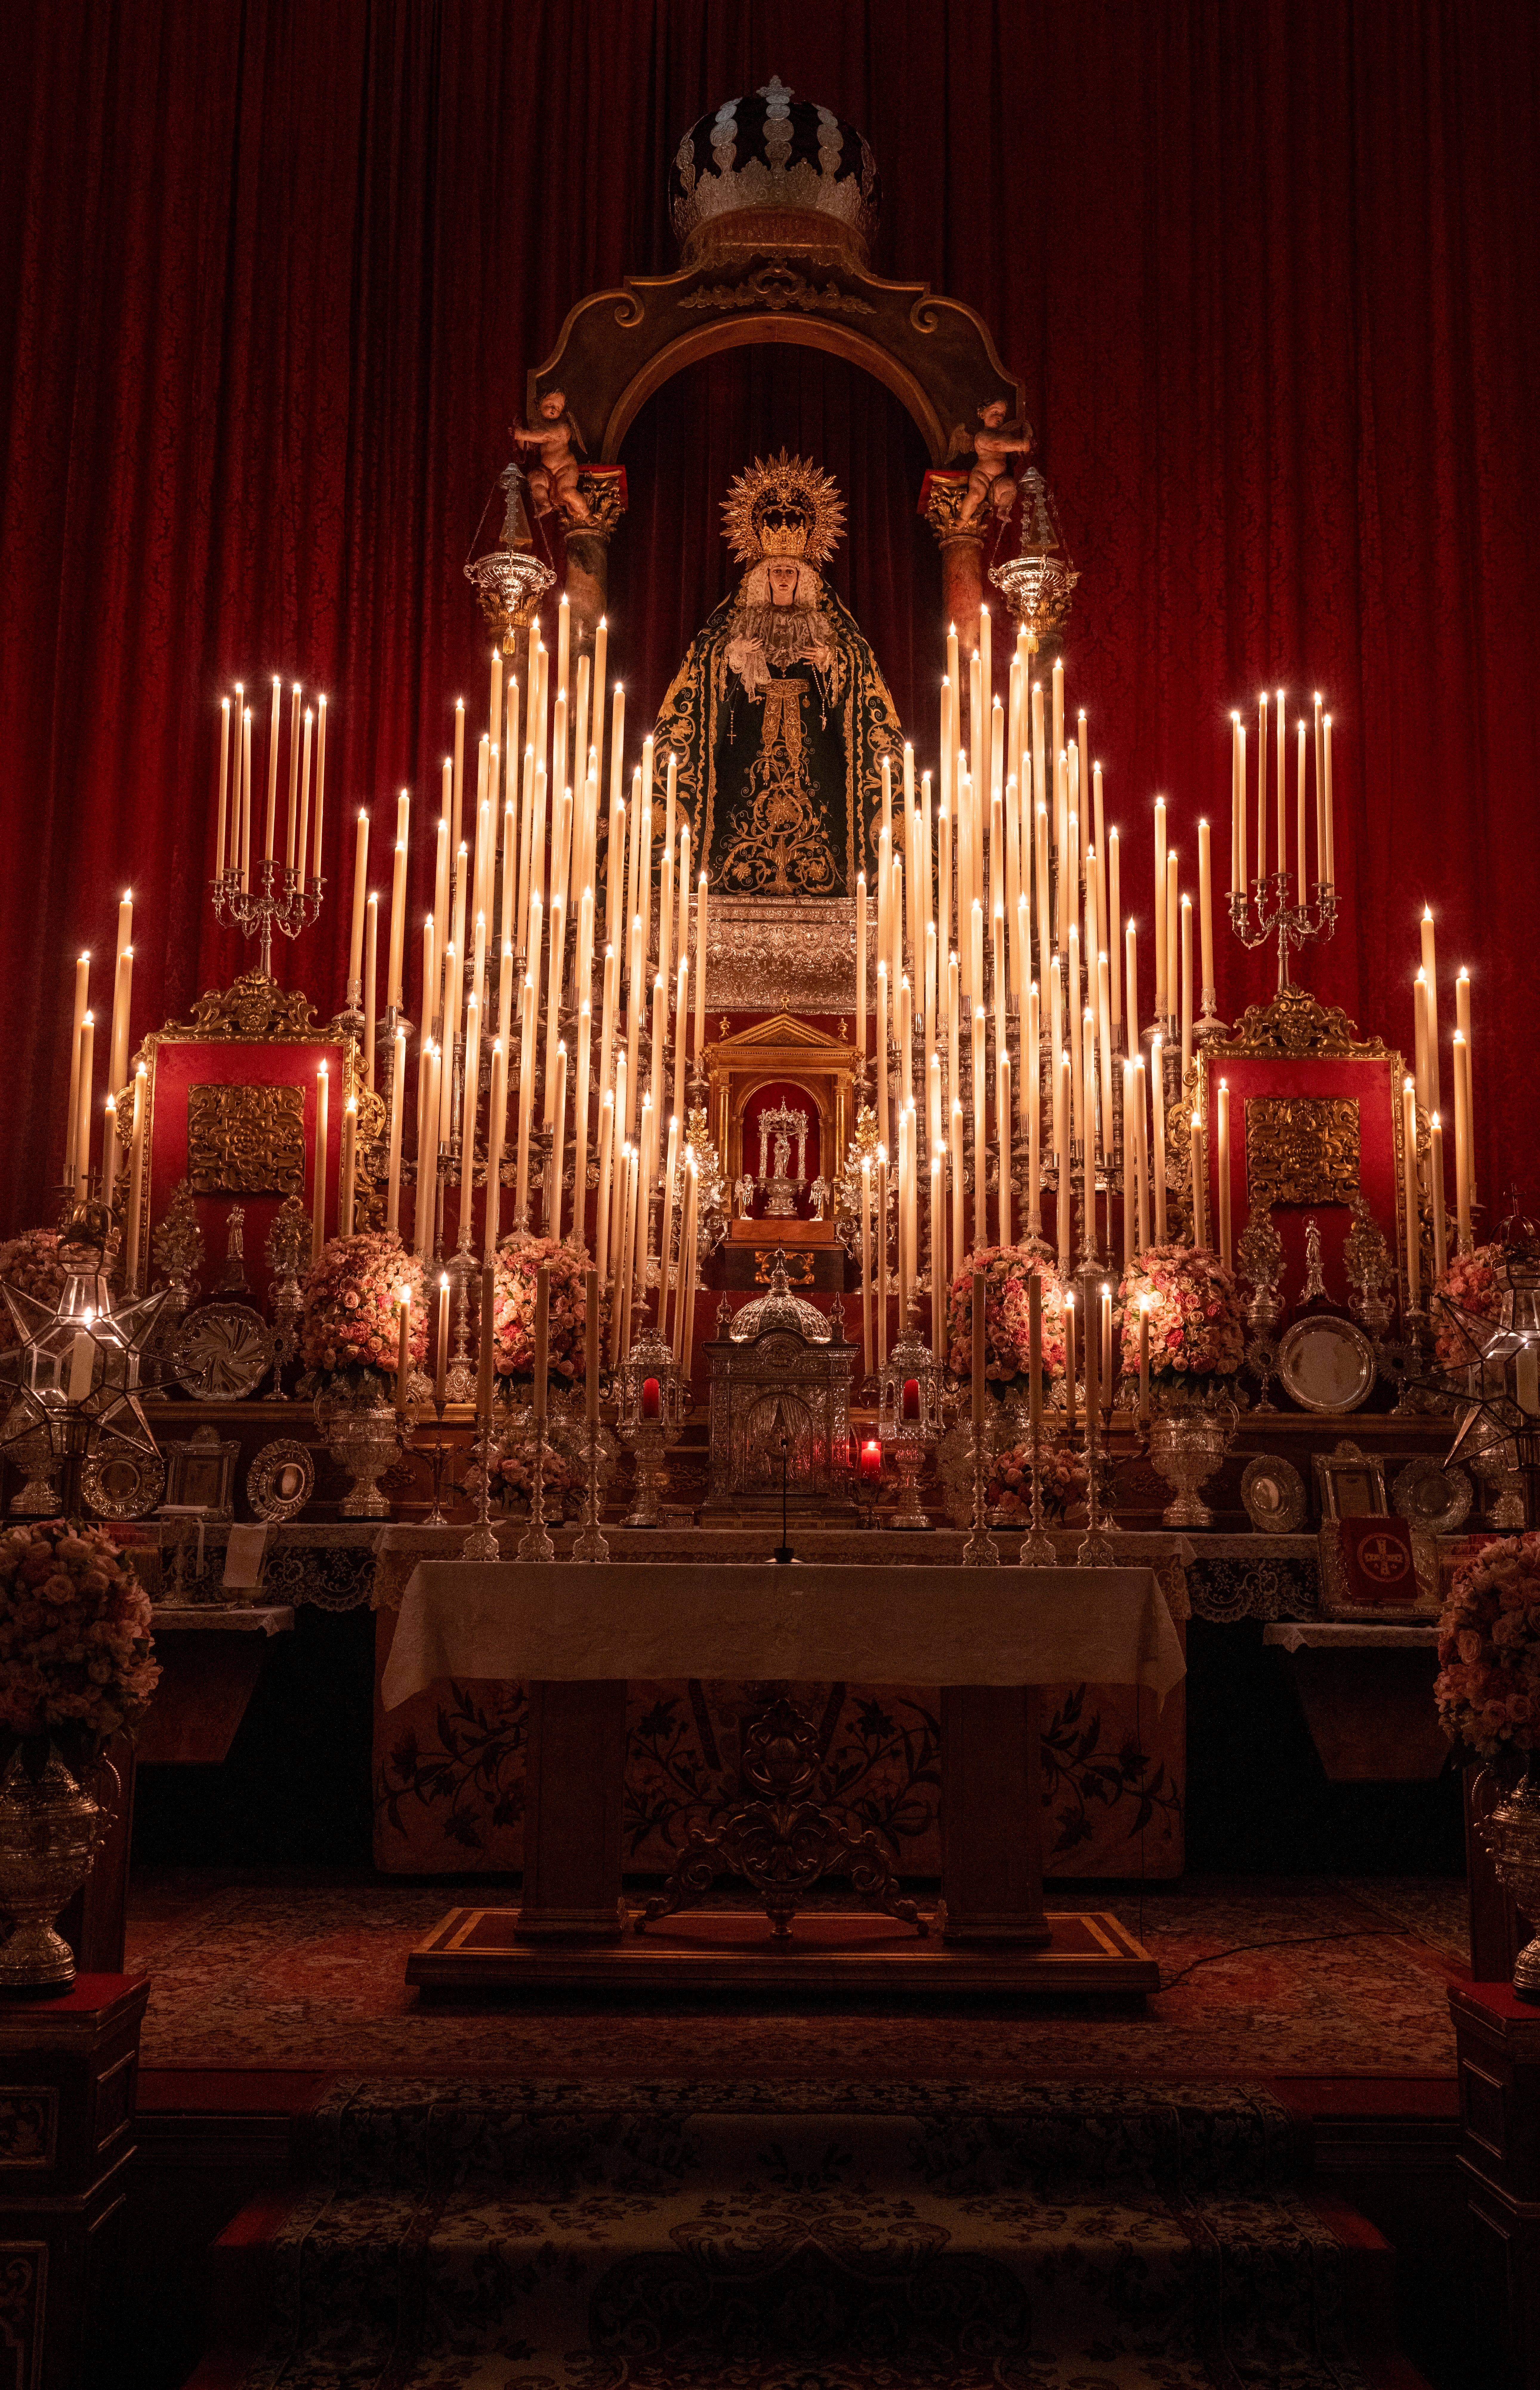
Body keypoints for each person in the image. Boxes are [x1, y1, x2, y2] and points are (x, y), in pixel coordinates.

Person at [654, 452, 904, 899]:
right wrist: (729, 660)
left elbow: (863, 680)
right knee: (737, 819)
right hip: (747, 747)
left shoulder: (830, 626)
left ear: (804, 577)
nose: (784, 578)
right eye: (776, 571)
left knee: (822, 825)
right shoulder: (735, 624)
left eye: (791, 571)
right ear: (763, 577)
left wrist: (833, 662)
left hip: (815, 755)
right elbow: (698, 680)